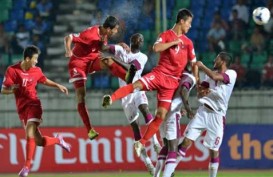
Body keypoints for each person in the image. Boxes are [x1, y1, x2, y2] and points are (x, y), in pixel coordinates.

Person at [102, 8, 198, 157]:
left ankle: (141, 142)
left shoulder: (189, 43)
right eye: (189, 23)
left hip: (172, 83)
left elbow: (194, 64)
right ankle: (111, 98)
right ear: (181, 21)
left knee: (160, 115)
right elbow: (156, 47)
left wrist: (197, 81)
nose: (190, 26)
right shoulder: (166, 35)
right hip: (159, 74)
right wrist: (173, 42)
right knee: (136, 86)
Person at [1, 45, 71, 177]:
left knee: (29, 131)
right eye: (35, 59)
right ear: (27, 59)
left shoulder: (36, 70)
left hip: (34, 104)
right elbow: (3, 90)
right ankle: (58, 140)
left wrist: (57, 85)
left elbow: (44, 80)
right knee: (39, 142)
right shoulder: (12, 70)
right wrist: (12, 90)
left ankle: (26, 167)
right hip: (22, 109)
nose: (36, 61)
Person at [64, 15, 135, 140]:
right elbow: (68, 37)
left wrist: (119, 45)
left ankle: (128, 78)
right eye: (115, 29)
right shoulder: (89, 34)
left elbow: (102, 47)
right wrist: (68, 50)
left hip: (91, 60)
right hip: (78, 64)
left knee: (107, 60)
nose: (116, 31)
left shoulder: (104, 33)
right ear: (108, 29)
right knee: (81, 96)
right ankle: (89, 130)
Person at [102, 33, 161, 176]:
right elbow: (104, 47)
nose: (140, 40)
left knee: (145, 110)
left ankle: (155, 142)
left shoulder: (143, 57)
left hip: (137, 89)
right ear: (131, 40)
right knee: (136, 130)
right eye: (137, 38)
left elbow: (131, 68)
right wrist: (108, 43)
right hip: (125, 95)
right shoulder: (121, 50)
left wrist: (115, 60)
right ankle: (148, 163)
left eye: (141, 39)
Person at [176, 52, 237, 177]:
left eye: (217, 58)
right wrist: (201, 89)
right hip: (203, 112)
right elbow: (199, 93)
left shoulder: (231, 73)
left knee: (213, 151)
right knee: (186, 142)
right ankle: (170, 170)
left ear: (223, 61)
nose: (215, 60)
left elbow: (216, 77)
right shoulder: (209, 77)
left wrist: (202, 66)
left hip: (217, 115)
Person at [154, 70, 196, 177]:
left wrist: (180, 107)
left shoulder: (174, 74)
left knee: (167, 146)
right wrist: (188, 109)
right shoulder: (189, 77)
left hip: (162, 110)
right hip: (172, 113)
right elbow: (183, 90)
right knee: (173, 148)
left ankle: (156, 175)